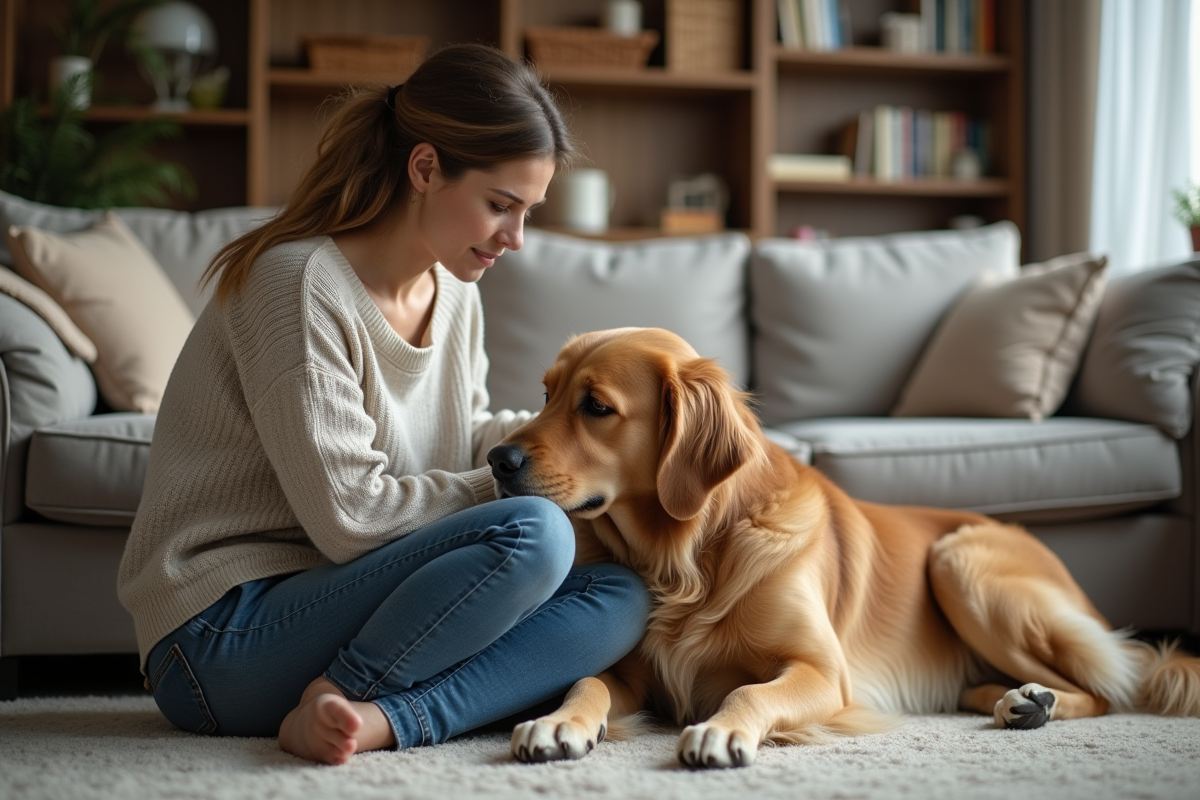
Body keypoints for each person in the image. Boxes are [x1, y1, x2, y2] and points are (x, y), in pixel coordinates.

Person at [117, 43, 650, 765]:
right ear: (426, 169)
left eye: (527, 212)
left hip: (349, 604)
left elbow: (461, 432)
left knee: (621, 595)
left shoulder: (457, 292)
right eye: (501, 206)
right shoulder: (298, 284)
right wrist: (523, 483)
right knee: (534, 536)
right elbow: (351, 521)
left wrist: (577, 450)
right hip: (220, 637)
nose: (516, 239)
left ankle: (383, 719)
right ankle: (339, 690)